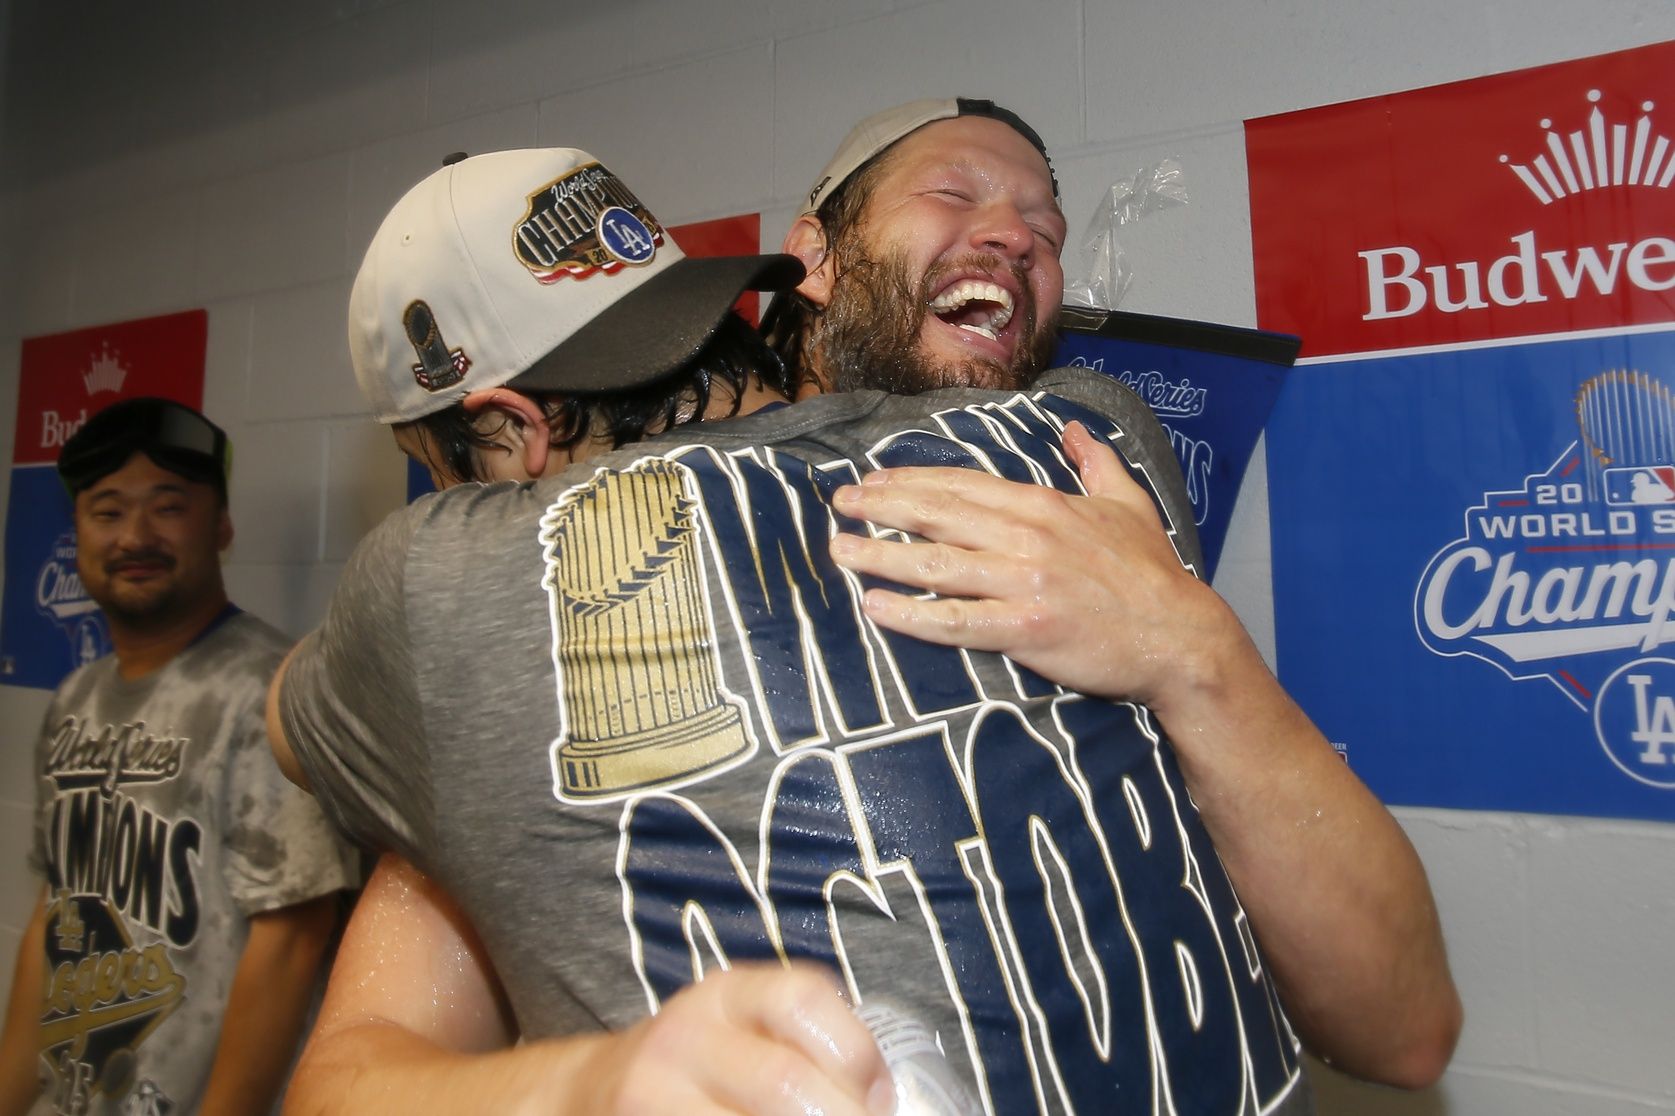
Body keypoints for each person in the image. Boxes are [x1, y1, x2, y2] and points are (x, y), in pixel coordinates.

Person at [777, 98, 1462, 1089]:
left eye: (1044, 230)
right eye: (953, 192)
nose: (1016, 235)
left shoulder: (1089, 470)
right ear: (818, 256)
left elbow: (1403, 1026)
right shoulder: (642, 514)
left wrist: (1193, 652)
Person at [0, 398, 359, 1116]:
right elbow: (52, 915)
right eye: (106, 512)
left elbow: (291, 940)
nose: (135, 534)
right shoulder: (75, 698)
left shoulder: (269, 689)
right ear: (77, 534)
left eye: (168, 507)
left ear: (220, 525)